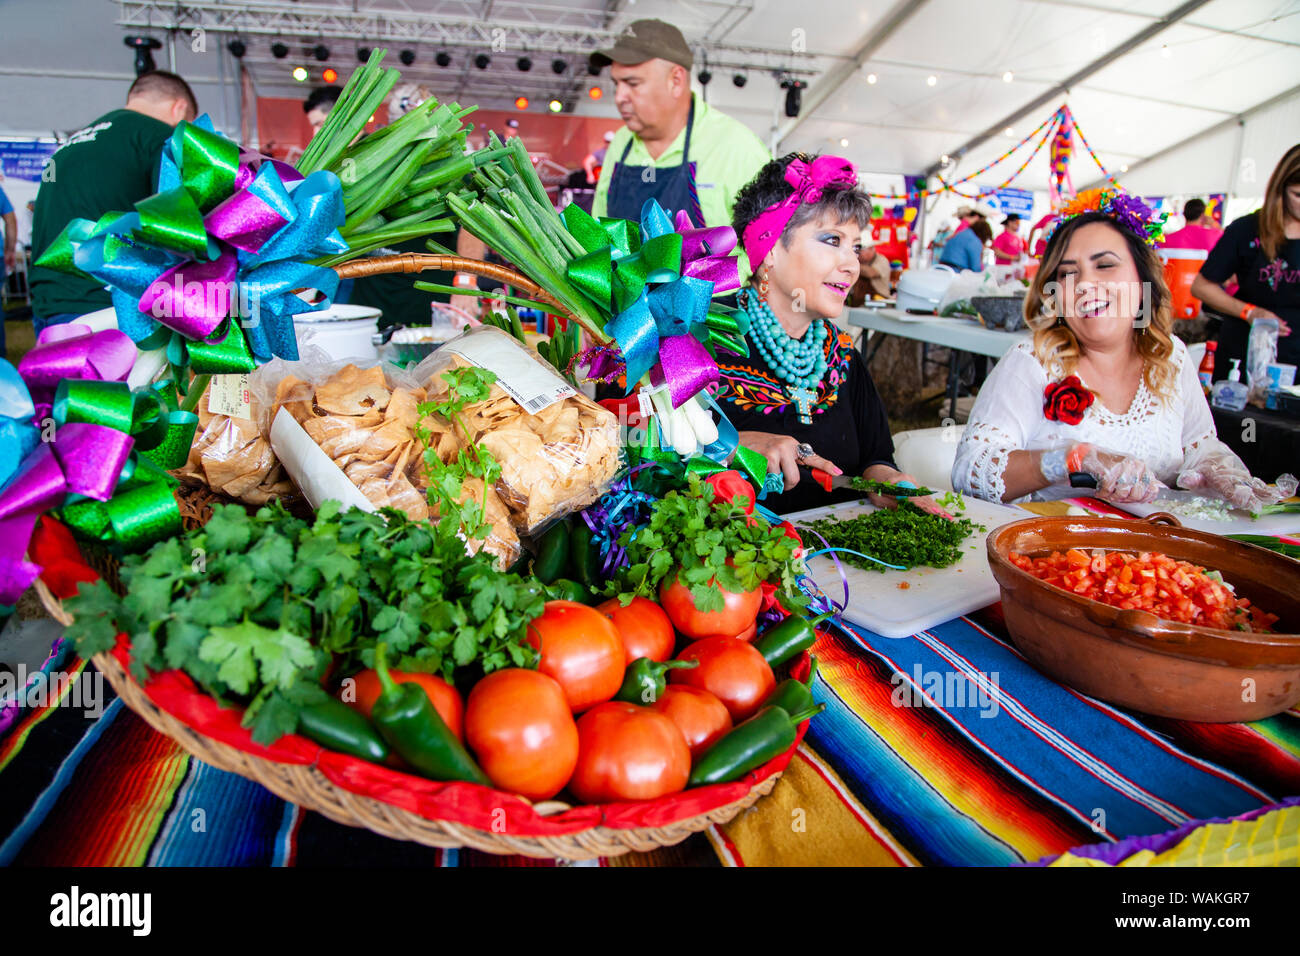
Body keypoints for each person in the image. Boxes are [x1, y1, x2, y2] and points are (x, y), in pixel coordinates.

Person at [952, 188, 1292, 511]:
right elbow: (969, 474)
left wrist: (1219, 466)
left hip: (1155, 563)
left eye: (1105, 265)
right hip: (1059, 562)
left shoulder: (1171, 355)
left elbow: (1198, 445)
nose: (1085, 284)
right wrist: (1070, 458)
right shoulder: (1033, 362)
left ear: (1143, 280)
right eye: (1068, 274)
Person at [714, 152, 949, 516]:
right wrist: (731, 446)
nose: (852, 264)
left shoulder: (841, 353)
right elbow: (642, 457)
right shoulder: (704, 337)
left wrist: (888, 481)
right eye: (832, 240)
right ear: (772, 248)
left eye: (855, 246)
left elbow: (875, 458)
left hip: (840, 561)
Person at [589, 19, 770, 272]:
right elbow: (598, 233)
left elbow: (772, 251)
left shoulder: (737, 147)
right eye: (616, 84)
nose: (619, 97)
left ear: (675, 80)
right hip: (621, 310)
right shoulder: (621, 144)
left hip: (714, 309)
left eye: (632, 84)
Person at [30, 70, 198, 331]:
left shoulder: (70, 146)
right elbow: (180, 226)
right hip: (108, 310)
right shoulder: (160, 137)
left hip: (50, 304)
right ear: (180, 108)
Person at [1191, 144, 1300, 379]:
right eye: (1298, 195)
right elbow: (1201, 286)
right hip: (1242, 356)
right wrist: (1249, 312)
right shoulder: (1247, 229)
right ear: (1280, 189)